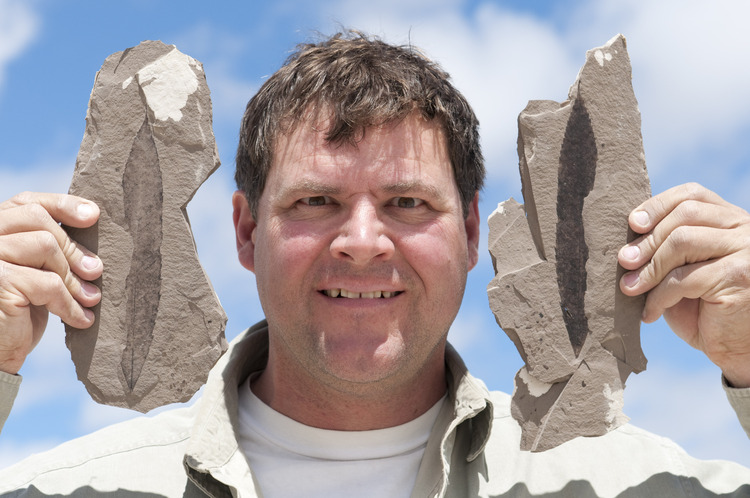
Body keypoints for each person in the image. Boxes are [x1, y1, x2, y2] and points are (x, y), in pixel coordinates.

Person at [0, 31, 749, 497]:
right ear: (246, 231)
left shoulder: (627, 484)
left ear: (471, 233)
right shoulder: (69, 489)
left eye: (407, 203)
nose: (362, 241)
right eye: (317, 201)